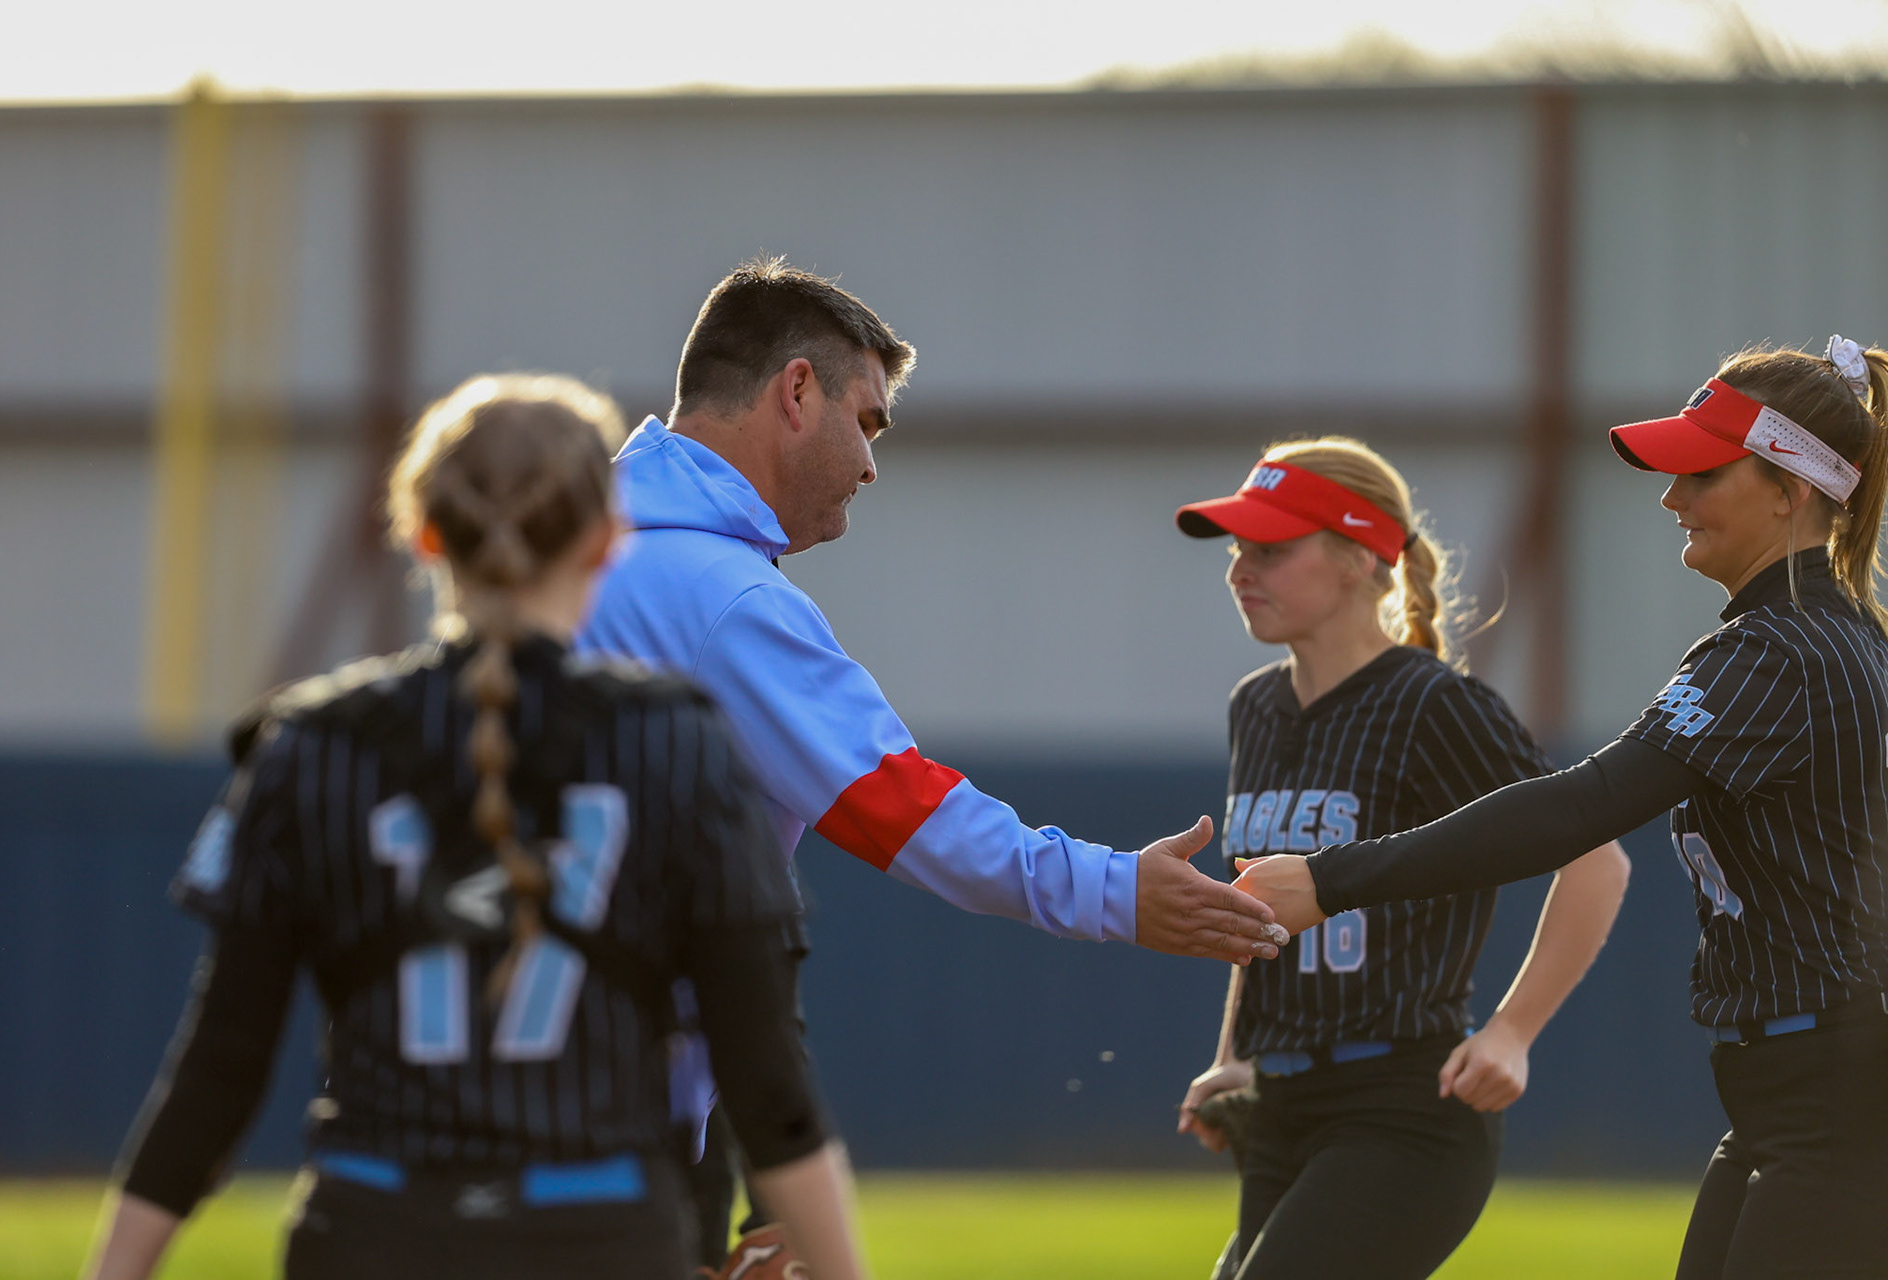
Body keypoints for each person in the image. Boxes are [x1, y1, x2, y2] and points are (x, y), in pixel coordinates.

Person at [576, 257, 1286, 1267]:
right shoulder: (725, 596)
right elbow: (903, 810)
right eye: (866, 422)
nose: (871, 464)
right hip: (614, 1133)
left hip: (448, 1109)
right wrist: (1116, 890)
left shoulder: (568, 562)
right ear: (794, 391)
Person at [82, 374, 870, 1280]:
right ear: (607, 542)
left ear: (420, 535)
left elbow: (217, 1073)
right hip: (604, 1235)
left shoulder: (313, 746)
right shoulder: (678, 745)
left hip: (372, 1234)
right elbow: (768, 1079)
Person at [1236, 339, 1888, 1279]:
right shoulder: (1818, 634)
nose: (1673, 497)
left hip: (1836, 1102)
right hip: (1795, 1099)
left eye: (1701, 473)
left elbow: (1579, 810)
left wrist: (1331, 881)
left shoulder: (1781, 649)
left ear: (1788, 489)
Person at [1168, 438, 1630, 1280]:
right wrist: (1235, 1052)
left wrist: (1512, 1033)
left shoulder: (1433, 703)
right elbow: (1260, 900)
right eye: (1238, 547)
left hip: (1405, 1110)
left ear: (1356, 558)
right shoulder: (1257, 706)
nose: (1242, 567)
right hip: (1280, 1103)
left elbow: (1597, 861)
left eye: (1270, 547)